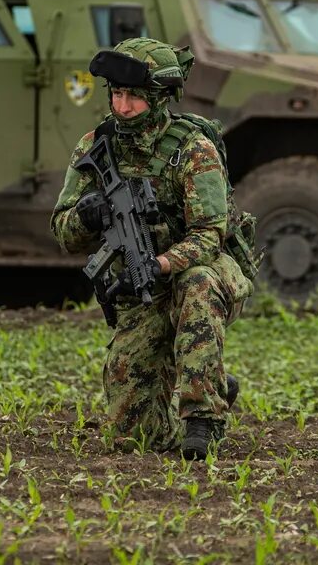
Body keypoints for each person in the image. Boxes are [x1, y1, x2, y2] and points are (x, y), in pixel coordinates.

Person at [50, 38, 253, 460]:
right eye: (117, 95)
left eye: (134, 98)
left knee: (195, 284)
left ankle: (203, 418)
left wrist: (158, 264)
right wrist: (86, 218)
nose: (122, 108)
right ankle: (214, 381)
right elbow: (63, 233)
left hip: (206, 277)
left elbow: (208, 236)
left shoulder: (193, 150)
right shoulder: (94, 147)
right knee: (132, 439)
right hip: (139, 290)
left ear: (160, 98)